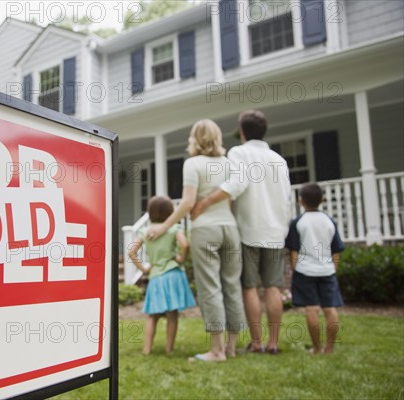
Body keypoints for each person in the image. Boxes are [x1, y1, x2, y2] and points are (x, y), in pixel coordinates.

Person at [190, 110, 291, 354]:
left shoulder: (238, 153)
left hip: (248, 229)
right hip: (276, 230)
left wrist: (204, 203)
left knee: (249, 287)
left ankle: (256, 343)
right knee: (273, 287)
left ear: (242, 131)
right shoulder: (279, 159)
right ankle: (274, 343)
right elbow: (287, 196)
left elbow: (235, 184)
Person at [146, 119, 245, 362]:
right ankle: (231, 347)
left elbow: (188, 203)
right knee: (232, 285)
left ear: (195, 139)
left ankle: (217, 351)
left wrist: (164, 226)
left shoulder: (192, 164)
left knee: (211, 287)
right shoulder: (229, 163)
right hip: (230, 228)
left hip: (206, 230)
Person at [128, 195, 196, 355]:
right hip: (173, 274)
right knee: (172, 315)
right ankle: (169, 349)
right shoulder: (174, 228)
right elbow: (185, 244)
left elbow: (131, 252)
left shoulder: (145, 231)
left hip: (156, 277)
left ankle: (146, 349)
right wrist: (181, 258)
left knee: (153, 315)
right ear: (171, 212)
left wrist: (144, 269)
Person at [285, 182, 345, 354]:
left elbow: (293, 250)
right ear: (322, 200)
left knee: (311, 309)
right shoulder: (329, 221)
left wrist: (296, 268)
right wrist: (333, 268)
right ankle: (329, 348)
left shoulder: (298, 222)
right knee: (330, 309)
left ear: (301, 201)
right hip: (327, 271)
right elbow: (336, 249)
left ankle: (317, 348)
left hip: (305, 271)